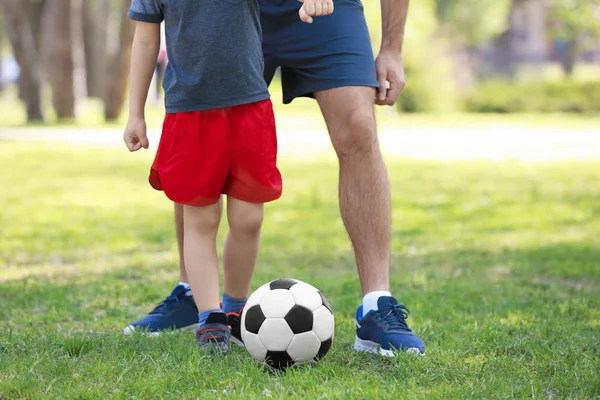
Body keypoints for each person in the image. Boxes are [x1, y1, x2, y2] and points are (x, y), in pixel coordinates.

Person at [125, 0, 426, 356]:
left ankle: (375, 305)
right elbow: (145, 38)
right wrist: (135, 113)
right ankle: (201, 303)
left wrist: (391, 47)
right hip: (213, 47)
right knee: (200, 168)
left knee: (355, 130)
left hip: (325, 11)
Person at [122, 0, 332, 352]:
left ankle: (235, 309)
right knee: (201, 220)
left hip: (249, 107)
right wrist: (135, 114)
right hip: (189, 115)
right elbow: (144, 41)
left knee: (248, 219)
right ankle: (210, 318)